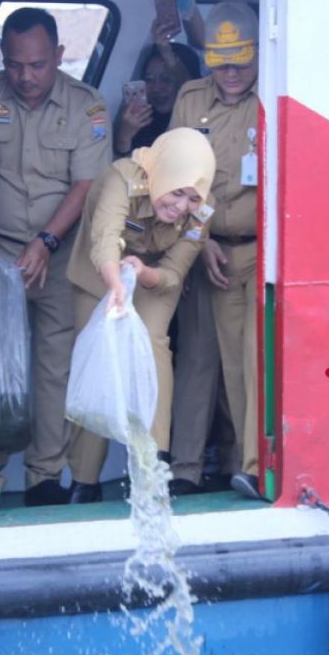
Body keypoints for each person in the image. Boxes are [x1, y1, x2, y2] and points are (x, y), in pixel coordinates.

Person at [0, 8, 110, 506]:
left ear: (59, 57)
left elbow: (87, 184)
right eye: (15, 65)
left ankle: (45, 475)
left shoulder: (87, 107)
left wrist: (45, 241)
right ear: (3, 58)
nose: (25, 76)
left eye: (38, 65)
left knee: (53, 366)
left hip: (61, 254)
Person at [66, 128, 216, 491]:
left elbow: (175, 270)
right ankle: (84, 481)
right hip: (101, 273)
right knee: (101, 360)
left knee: (152, 348)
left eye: (192, 199)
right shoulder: (123, 178)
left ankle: (153, 468)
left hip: (153, 277)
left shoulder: (203, 213)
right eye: (177, 192)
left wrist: (144, 274)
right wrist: (117, 283)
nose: (181, 206)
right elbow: (104, 239)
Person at [168, 0, 262, 500]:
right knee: (213, 361)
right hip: (208, 248)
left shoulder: (275, 95)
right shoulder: (190, 98)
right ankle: (189, 466)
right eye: (219, 61)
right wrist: (197, 242)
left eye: (240, 62)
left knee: (252, 360)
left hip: (264, 251)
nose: (228, 73)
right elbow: (175, 177)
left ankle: (252, 466)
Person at [114, 32, 201, 157]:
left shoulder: (202, 115)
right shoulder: (141, 120)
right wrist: (125, 135)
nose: (156, 88)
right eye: (149, 79)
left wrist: (168, 54)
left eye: (166, 79)